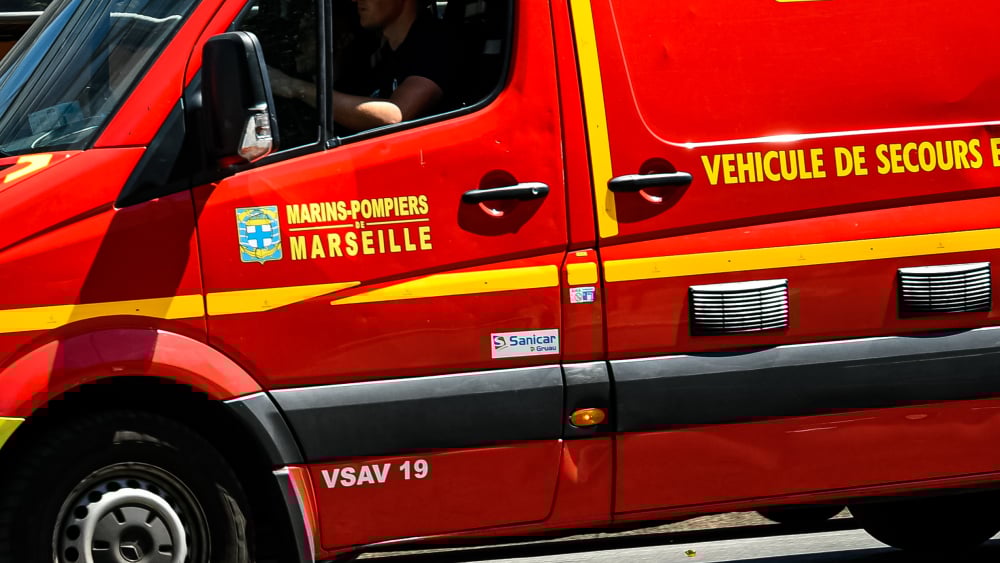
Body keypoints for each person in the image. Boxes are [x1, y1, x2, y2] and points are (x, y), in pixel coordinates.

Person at [269, 0, 450, 133]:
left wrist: (295, 88)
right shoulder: (385, 54)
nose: (355, 0)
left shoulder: (436, 43)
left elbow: (396, 115)